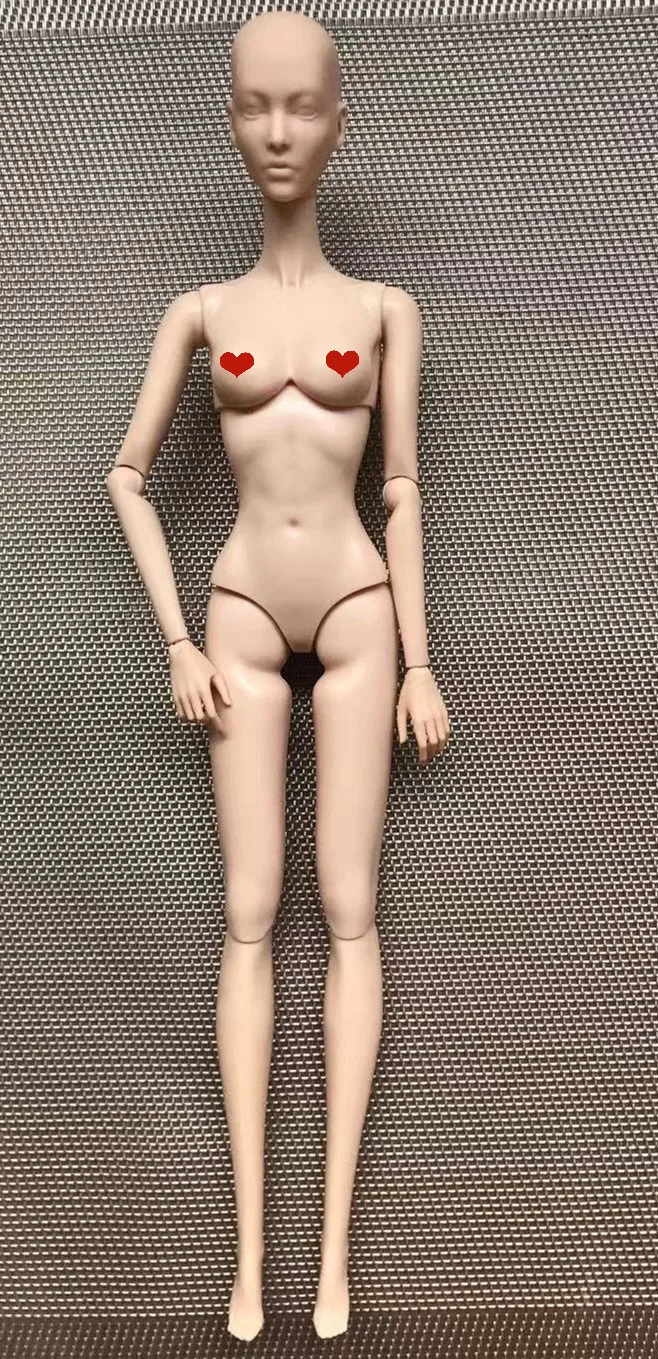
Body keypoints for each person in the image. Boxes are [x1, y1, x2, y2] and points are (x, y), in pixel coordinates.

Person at [105, 9, 450, 1341]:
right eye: (255, 104)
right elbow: (127, 477)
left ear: (338, 120)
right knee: (248, 911)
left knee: (351, 907)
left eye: (302, 105)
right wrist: (177, 639)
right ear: (231, 117)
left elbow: (401, 489)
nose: (279, 131)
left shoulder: (384, 311)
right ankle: (253, 1252)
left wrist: (422, 658)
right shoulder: (202, 312)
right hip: (242, 605)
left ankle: (332, 1252)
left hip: (357, 604)